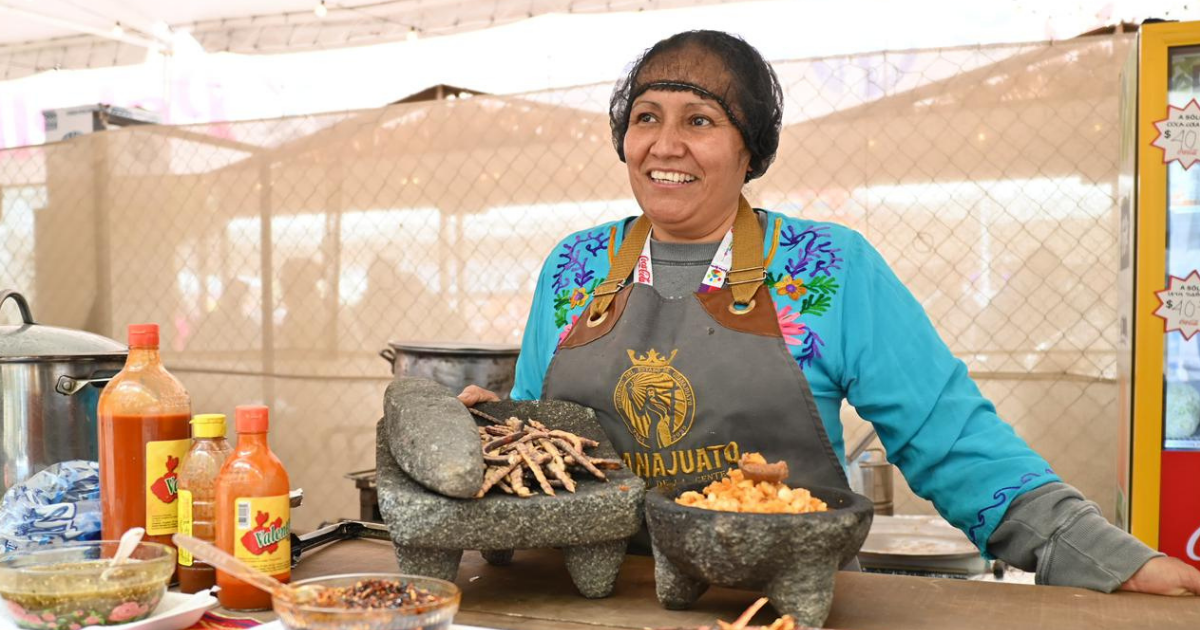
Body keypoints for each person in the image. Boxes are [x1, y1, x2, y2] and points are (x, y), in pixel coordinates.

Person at [459, 30, 1200, 596]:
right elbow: (543, 439)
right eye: (645, 117)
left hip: (778, 602)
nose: (665, 144)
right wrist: (489, 434)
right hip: (593, 597)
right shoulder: (575, 268)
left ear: (750, 148)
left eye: (701, 120)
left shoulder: (825, 267)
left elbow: (950, 437)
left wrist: (1103, 558)